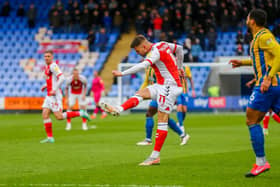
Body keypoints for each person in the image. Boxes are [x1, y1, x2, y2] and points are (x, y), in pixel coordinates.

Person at [100, 35, 183, 166]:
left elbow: (143, 65)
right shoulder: (162, 44)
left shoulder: (155, 52)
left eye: (138, 51)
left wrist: (122, 73)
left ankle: (155, 156)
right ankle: (118, 109)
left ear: (144, 46)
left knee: (162, 119)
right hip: (161, 85)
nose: (138, 54)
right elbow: (179, 49)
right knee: (140, 93)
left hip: (170, 87)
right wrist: (180, 67)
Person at [229, 9, 280, 177]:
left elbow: (279, 53)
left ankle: (261, 162)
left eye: (247, 17)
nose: (246, 19)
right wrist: (242, 63)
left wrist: (268, 78)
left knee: (251, 119)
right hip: (272, 84)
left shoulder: (264, 36)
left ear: (252, 21)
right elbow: (265, 59)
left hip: (267, 85)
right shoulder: (259, 37)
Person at [40, 50, 90, 143]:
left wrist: (54, 89)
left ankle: (81, 113)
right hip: (49, 95)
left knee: (59, 117)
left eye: (48, 56)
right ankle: (50, 137)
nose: (46, 58)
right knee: (45, 114)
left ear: (52, 57)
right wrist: (46, 86)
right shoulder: (47, 67)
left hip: (54, 95)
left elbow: (62, 77)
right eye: (45, 56)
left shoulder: (53, 66)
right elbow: (53, 80)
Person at [136, 66, 190, 146]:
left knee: (149, 114)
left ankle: (148, 140)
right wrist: (140, 92)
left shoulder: (164, 68)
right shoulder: (150, 70)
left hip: (165, 94)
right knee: (165, 118)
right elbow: (146, 82)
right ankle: (183, 135)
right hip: (158, 94)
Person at [176, 65, 195, 134]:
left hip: (184, 92)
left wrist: (193, 90)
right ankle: (181, 126)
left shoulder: (186, 68)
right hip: (176, 91)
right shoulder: (171, 67)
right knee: (179, 106)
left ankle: (179, 122)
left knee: (184, 110)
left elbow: (190, 79)